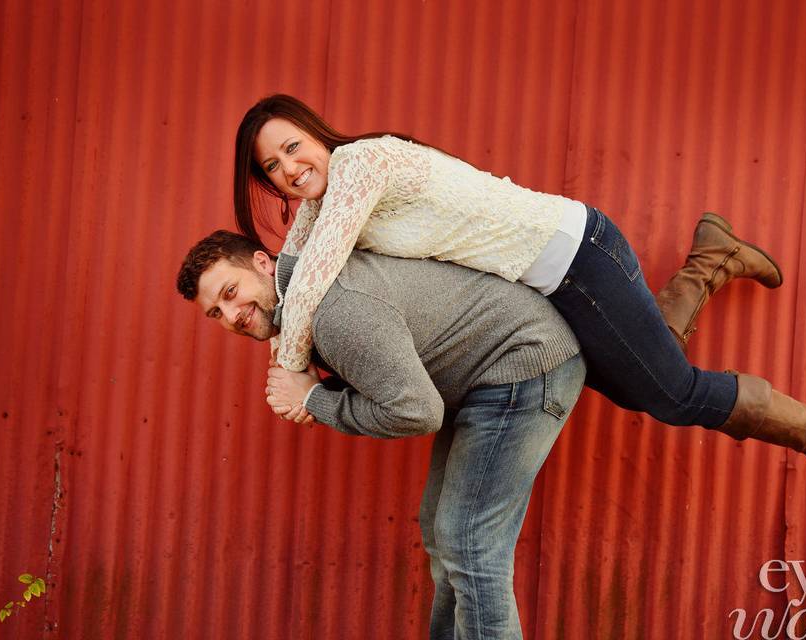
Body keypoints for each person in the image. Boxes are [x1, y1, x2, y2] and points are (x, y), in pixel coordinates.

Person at [232, 94, 806, 534]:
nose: (290, 168)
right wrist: (283, 359)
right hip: (549, 282)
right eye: (273, 165)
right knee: (647, 380)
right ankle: (712, 258)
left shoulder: (358, 162)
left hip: (575, 257)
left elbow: (312, 274)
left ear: (317, 134)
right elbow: (295, 265)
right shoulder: (325, 200)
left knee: (672, 393)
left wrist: (291, 377)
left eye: (294, 147)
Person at [177, 230, 586, 638]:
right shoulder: (306, 303)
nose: (231, 316)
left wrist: (316, 400)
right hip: (484, 382)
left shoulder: (333, 309)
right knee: (442, 531)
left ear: (263, 263)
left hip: (526, 365)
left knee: (469, 542)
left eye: (230, 292)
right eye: (216, 313)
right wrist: (316, 392)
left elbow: (418, 413)